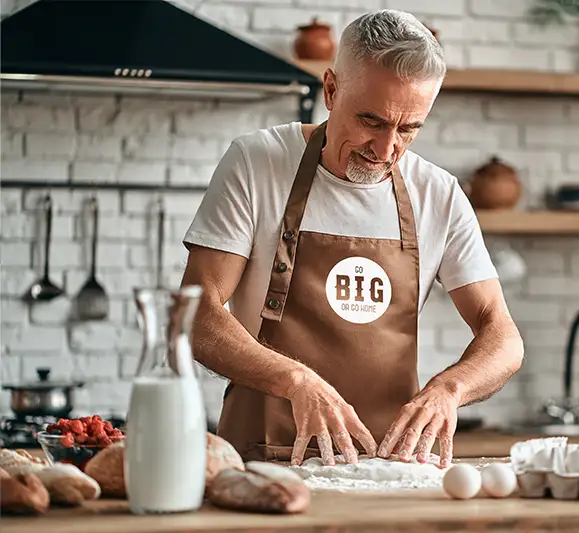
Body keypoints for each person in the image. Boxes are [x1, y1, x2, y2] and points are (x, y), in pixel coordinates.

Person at [180, 9, 524, 470]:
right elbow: (196, 313)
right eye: (372, 121)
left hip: (391, 468)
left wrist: (450, 388)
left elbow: (502, 333)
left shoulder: (438, 194)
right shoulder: (257, 162)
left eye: (408, 129)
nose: (386, 150)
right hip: (264, 461)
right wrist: (296, 380)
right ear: (331, 90)